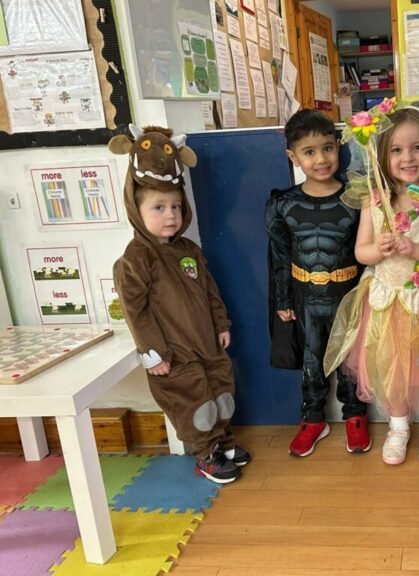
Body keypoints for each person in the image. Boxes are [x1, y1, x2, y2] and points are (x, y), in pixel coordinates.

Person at [111, 125, 250, 484]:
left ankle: (224, 443)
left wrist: (221, 323)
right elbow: (135, 310)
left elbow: (209, 290)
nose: (170, 215)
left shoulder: (189, 250)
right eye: (158, 208)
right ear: (136, 208)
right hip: (174, 353)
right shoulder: (136, 258)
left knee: (221, 394)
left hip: (206, 343)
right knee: (195, 404)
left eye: (175, 206)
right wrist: (153, 352)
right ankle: (206, 454)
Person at [325, 107, 419, 467]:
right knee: (390, 367)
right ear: (383, 155)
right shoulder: (374, 198)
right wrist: (379, 249)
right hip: (385, 302)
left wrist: (415, 249)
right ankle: (398, 426)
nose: (407, 157)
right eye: (396, 150)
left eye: (417, 147)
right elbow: (361, 252)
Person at [265, 109, 370, 458]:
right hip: (305, 297)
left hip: (349, 295)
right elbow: (279, 257)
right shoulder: (283, 204)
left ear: (338, 146)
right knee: (311, 360)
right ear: (292, 156)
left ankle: (355, 415)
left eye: (327, 148)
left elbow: (367, 252)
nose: (321, 159)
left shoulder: (357, 198)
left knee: (350, 358)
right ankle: (312, 418)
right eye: (308, 152)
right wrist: (283, 300)